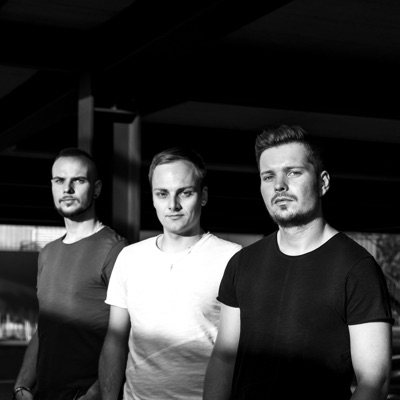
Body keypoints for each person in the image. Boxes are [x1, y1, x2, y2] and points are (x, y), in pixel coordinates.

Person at [203, 125, 394, 400]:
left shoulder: (357, 268)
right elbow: (224, 358)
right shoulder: (242, 263)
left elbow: (374, 382)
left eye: (293, 172)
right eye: (268, 176)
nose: (279, 185)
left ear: (323, 182)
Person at [99, 147, 242, 400]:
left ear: (203, 196)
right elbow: (115, 340)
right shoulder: (130, 258)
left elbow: (236, 353)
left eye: (185, 193)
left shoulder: (232, 258)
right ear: (153, 198)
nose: (173, 205)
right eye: (162, 194)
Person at [13, 148, 128, 400]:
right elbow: (44, 329)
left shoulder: (116, 250)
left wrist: (94, 395)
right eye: (59, 180)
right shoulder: (47, 253)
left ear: (96, 189)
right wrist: (21, 386)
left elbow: (128, 336)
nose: (67, 189)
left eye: (78, 180)